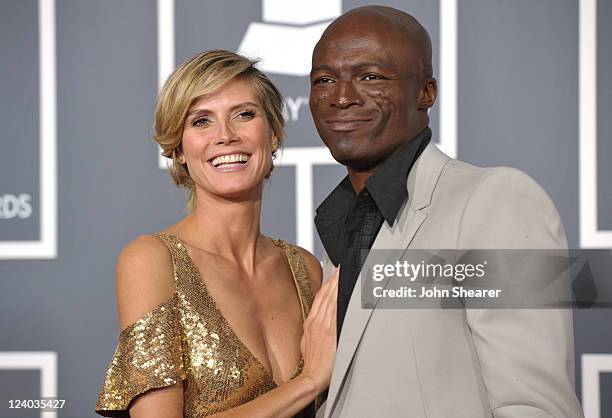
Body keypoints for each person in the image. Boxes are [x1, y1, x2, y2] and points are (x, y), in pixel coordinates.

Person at [310, 6, 584, 418]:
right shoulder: (339, 230)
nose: (343, 96)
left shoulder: (497, 201)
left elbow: (535, 407)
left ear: (426, 93)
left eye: (370, 76)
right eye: (325, 80)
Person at [95, 50, 338, 418]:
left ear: (272, 135)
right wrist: (309, 381)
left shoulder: (304, 268)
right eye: (201, 121)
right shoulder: (152, 260)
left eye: (244, 114)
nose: (225, 136)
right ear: (177, 148)